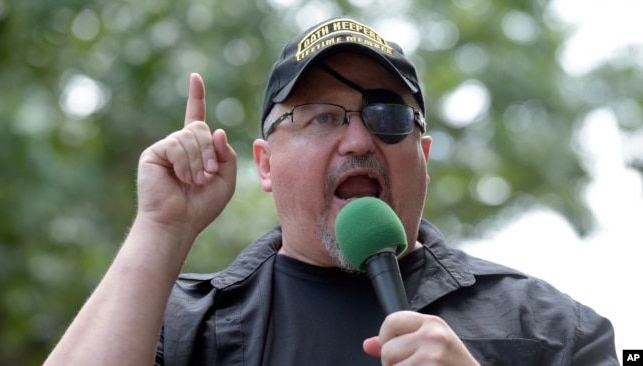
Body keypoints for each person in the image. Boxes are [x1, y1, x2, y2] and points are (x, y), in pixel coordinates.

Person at [45, 17, 618, 365]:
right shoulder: (180, 328)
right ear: (265, 165)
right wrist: (161, 227)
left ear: (422, 157)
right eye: (321, 116)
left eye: (388, 115)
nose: (359, 138)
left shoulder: (556, 330)